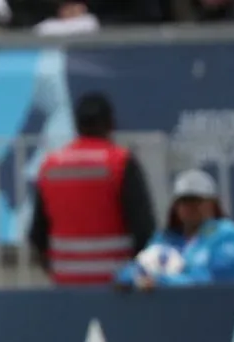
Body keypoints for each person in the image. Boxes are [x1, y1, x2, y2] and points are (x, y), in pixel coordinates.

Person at [28, 92, 156, 285]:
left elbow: (37, 234)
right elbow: (144, 230)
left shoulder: (50, 166)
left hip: (67, 282)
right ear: (110, 123)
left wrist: (56, 269)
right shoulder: (121, 163)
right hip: (117, 285)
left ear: (77, 125)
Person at [115, 169, 234, 289]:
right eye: (184, 201)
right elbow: (134, 269)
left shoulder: (227, 234)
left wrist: (162, 281)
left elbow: (211, 280)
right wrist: (132, 279)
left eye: (197, 201)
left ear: (212, 204)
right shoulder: (165, 238)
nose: (190, 207)